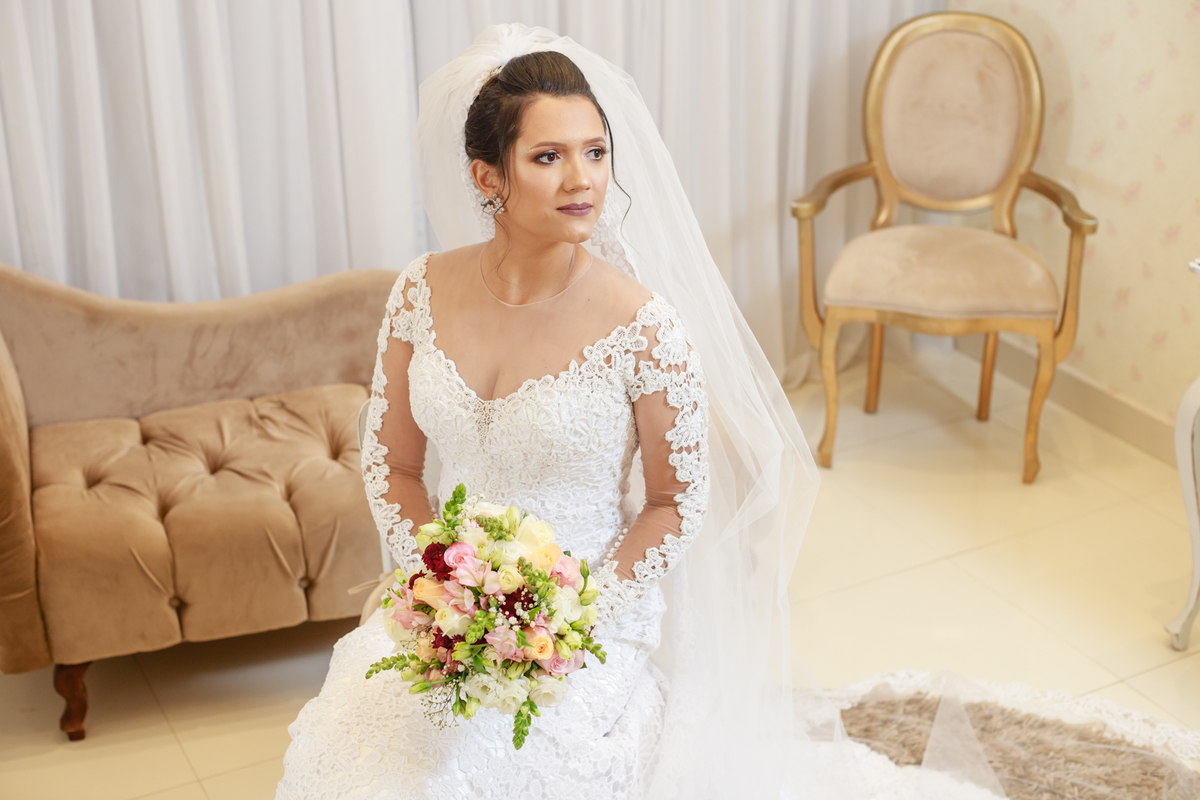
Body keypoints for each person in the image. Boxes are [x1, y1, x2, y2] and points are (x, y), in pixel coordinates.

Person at [278, 25, 1198, 800]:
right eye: (548, 157)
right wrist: (440, 586)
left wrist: (567, 616)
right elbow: (395, 465)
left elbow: (673, 503)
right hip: (443, 604)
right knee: (356, 745)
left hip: (590, 613)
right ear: (488, 176)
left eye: (595, 152)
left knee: (471, 770)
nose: (581, 178)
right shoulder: (419, 291)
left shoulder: (642, 325)